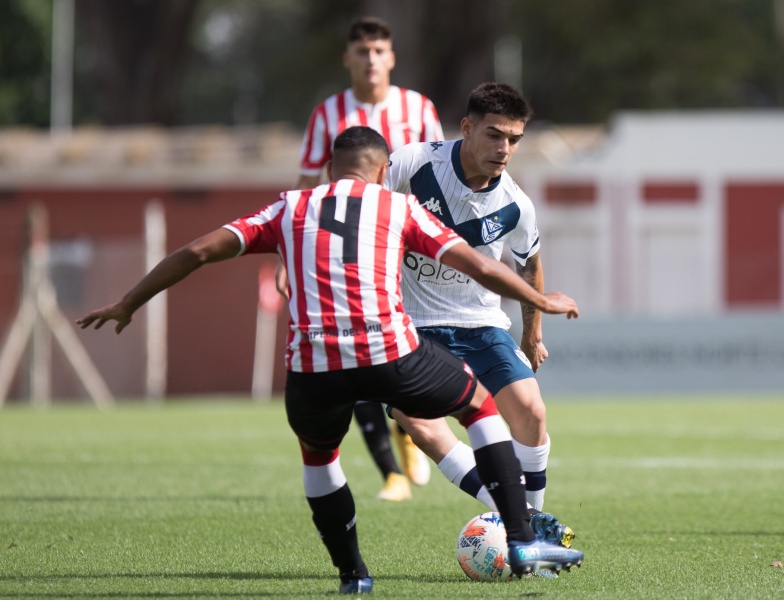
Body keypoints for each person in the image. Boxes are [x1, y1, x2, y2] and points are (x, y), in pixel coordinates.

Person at [76, 126, 584, 595]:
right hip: (389, 354)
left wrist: (128, 303)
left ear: (329, 170)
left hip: (312, 367)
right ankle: (520, 536)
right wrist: (541, 302)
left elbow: (197, 251)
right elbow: (477, 264)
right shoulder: (396, 207)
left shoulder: (287, 208)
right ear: (385, 171)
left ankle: (353, 576)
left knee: (319, 457)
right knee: (477, 404)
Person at [384, 82, 572, 541]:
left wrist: (533, 335)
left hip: (481, 325)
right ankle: (519, 521)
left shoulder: (515, 205)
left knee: (531, 412)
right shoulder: (412, 164)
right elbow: (366, 208)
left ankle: (530, 522)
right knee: (419, 425)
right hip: (412, 326)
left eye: (513, 139)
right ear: (466, 128)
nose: (504, 149)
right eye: (494, 135)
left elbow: (530, 266)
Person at [290, 16, 443, 500]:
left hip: (404, 243)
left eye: (379, 50)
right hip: (348, 248)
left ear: (391, 57)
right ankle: (391, 474)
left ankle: (408, 427)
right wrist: (283, 258)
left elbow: (438, 173)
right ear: (348, 58)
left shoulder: (418, 108)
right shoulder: (327, 114)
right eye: (362, 51)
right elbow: (306, 183)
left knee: (408, 341)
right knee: (352, 343)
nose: (371, 59)